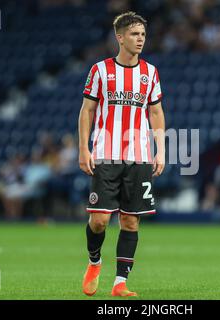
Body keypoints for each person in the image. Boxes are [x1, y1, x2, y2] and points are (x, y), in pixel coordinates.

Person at [78, 12, 165, 297]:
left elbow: (155, 112)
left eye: (143, 34)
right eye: (134, 34)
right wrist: (84, 148)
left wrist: (160, 150)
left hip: (138, 157)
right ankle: (94, 262)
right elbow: (87, 110)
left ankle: (120, 284)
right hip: (106, 154)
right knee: (100, 219)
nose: (140, 39)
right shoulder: (100, 70)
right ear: (120, 37)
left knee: (130, 221)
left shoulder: (150, 72)